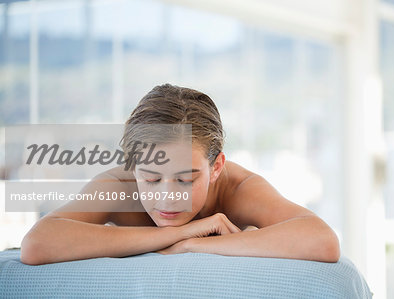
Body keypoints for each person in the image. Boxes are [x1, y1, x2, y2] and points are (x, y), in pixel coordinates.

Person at [20, 84, 340, 265]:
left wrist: (194, 245)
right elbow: (37, 244)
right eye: (151, 178)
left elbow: (322, 241)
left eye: (186, 179)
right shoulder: (119, 184)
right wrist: (180, 233)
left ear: (216, 167)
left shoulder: (238, 188)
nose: (167, 196)